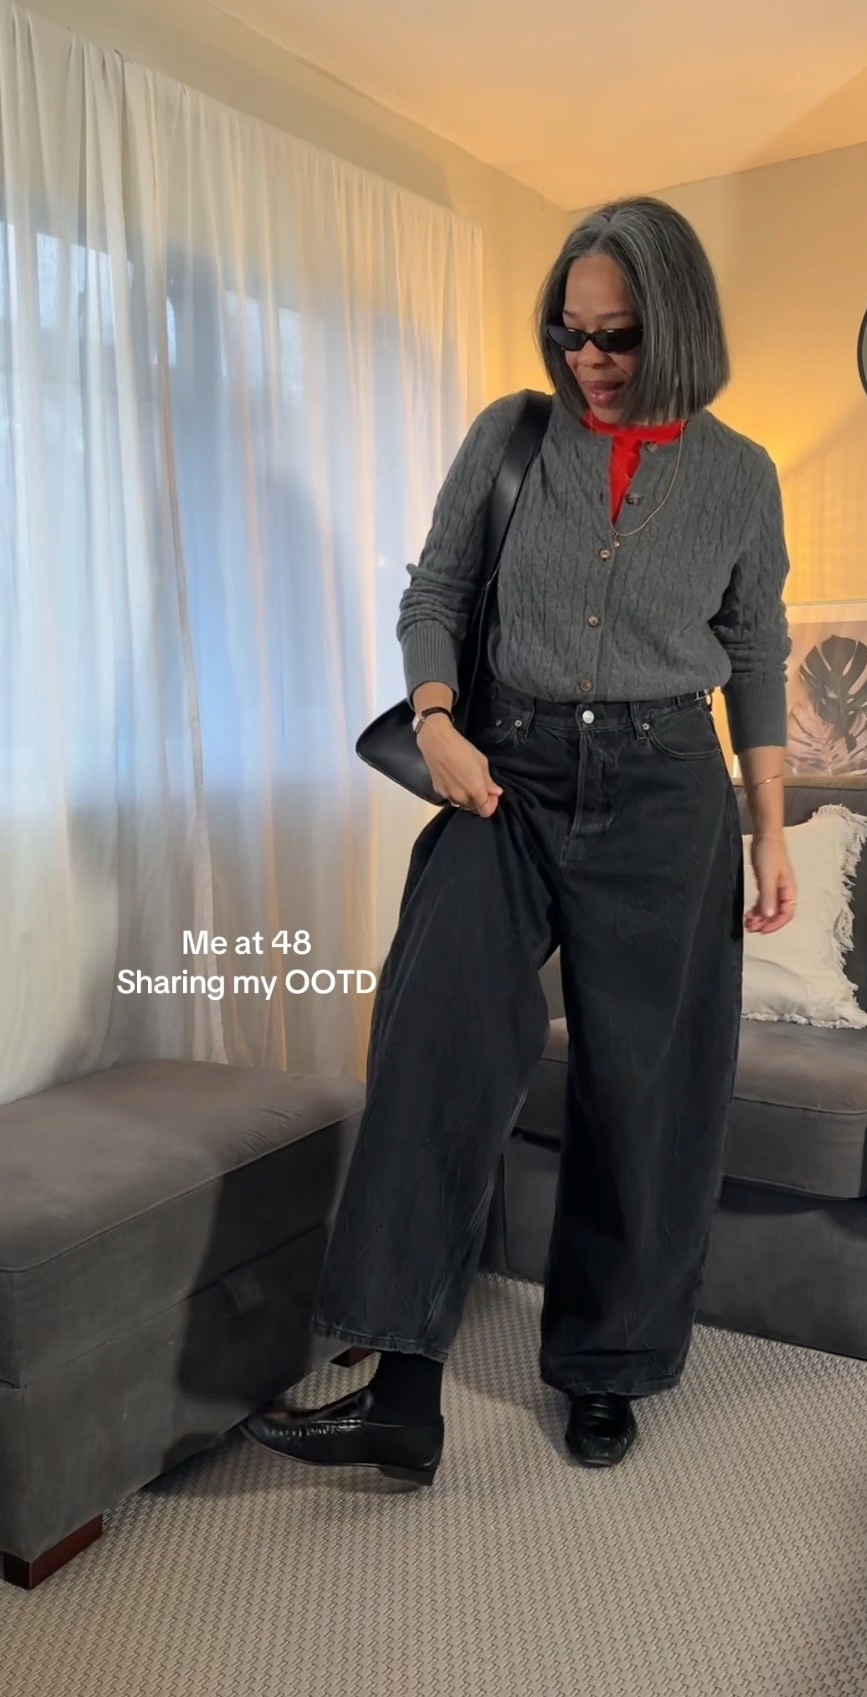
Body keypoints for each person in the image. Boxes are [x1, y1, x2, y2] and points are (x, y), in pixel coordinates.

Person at [246, 195, 797, 1486]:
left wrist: (770, 829)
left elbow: (758, 653)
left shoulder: (741, 474)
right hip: (504, 774)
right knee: (434, 1045)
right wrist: (437, 722)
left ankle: (609, 1367)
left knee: (648, 1089)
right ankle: (402, 1387)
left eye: (618, 336)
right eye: (571, 332)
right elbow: (437, 590)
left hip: (669, 784)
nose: (589, 359)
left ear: (678, 329)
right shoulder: (513, 435)